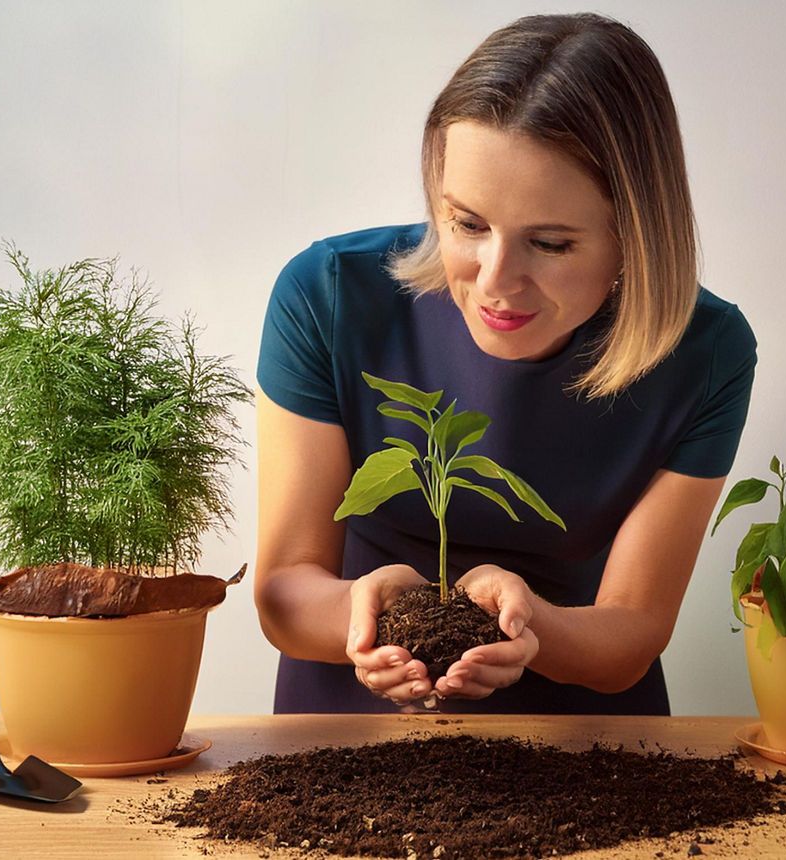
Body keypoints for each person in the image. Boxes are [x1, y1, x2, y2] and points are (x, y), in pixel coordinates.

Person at [254, 12, 757, 715]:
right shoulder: (328, 295)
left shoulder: (704, 353)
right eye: (467, 224)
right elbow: (281, 595)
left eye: (549, 243)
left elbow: (633, 632)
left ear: (633, 235)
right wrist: (357, 612)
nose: (496, 278)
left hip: (581, 752)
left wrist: (534, 629)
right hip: (352, 734)